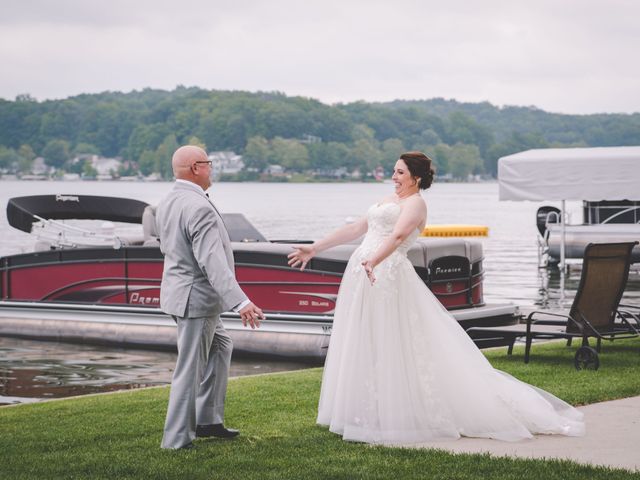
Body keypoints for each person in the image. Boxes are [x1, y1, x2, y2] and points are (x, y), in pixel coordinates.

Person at [288, 152, 585, 445]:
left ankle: (398, 413)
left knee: (393, 340)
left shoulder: (416, 204)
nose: (394, 176)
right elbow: (356, 228)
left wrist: (374, 261)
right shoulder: (389, 200)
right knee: (366, 339)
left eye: (400, 172)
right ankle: (367, 409)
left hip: (387, 274)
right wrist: (315, 248)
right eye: (394, 171)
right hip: (363, 276)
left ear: (416, 177)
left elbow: (398, 237)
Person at [157, 145, 265, 450]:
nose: (212, 168)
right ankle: (177, 439)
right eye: (210, 163)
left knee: (221, 346)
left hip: (182, 293)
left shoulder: (168, 201)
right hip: (197, 299)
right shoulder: (198, 206)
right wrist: (241, 302)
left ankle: (208, 420)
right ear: (196, 168)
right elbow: (211, 261)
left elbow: (169, 248)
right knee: (190, 368)